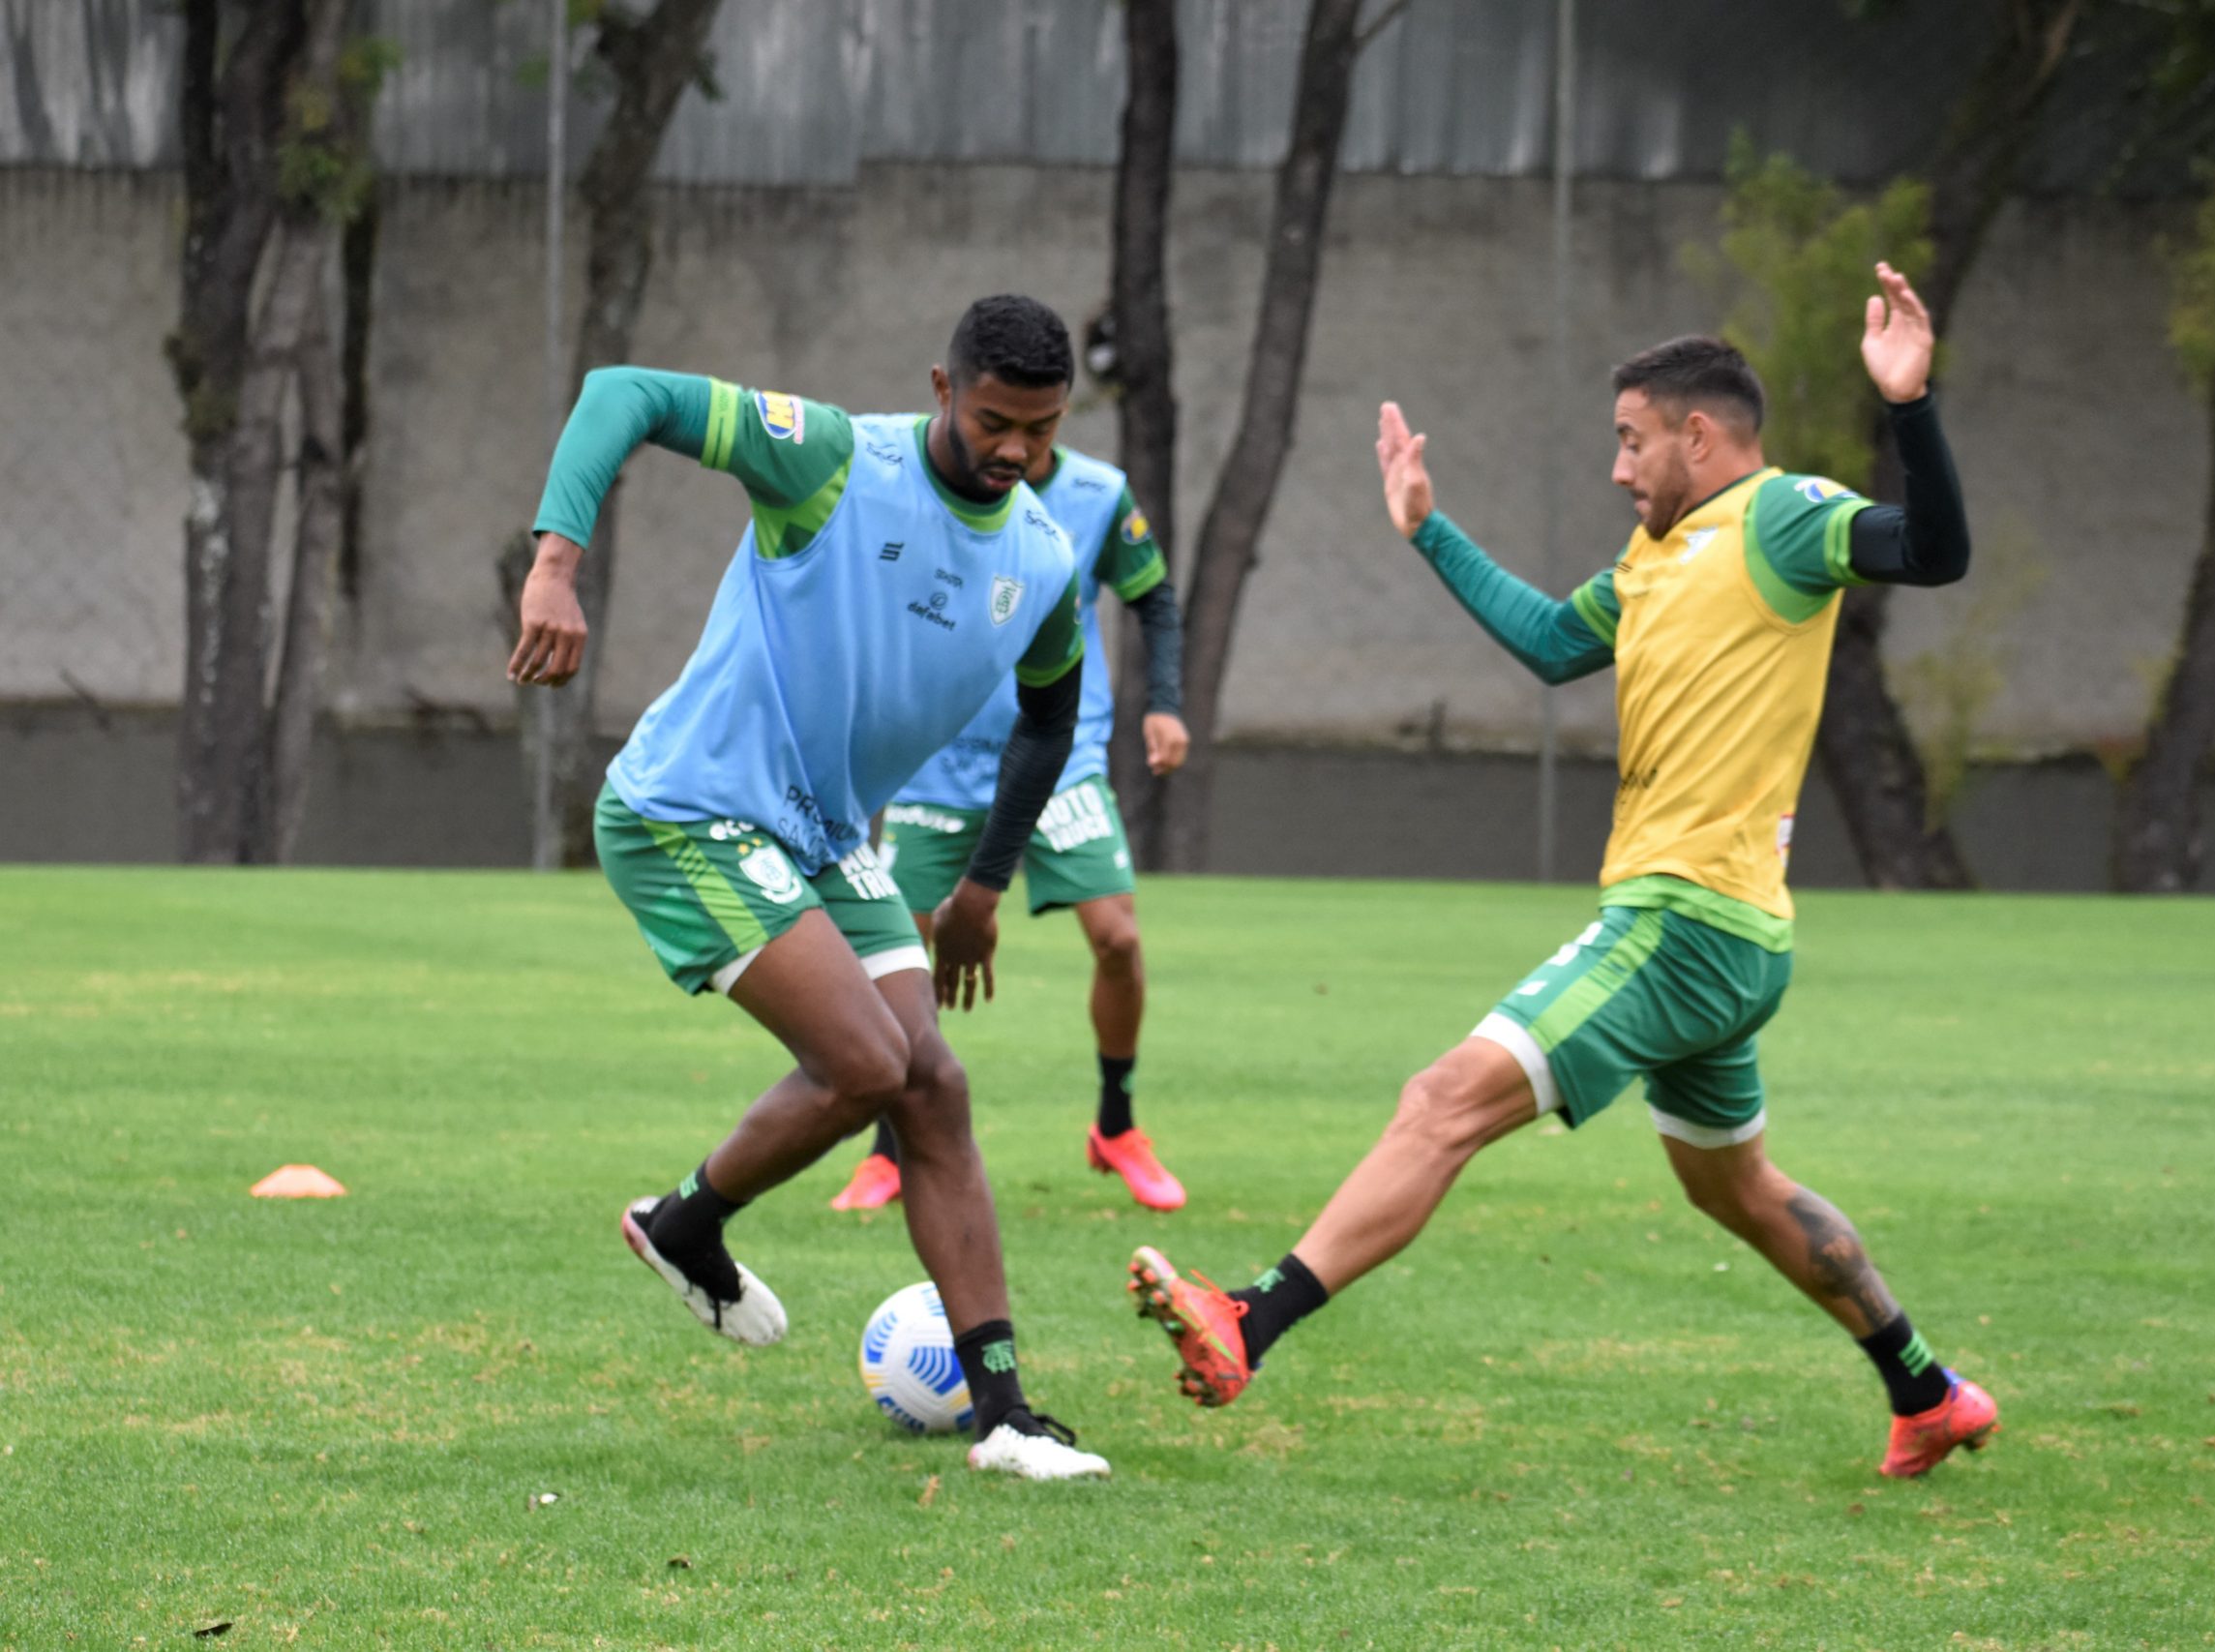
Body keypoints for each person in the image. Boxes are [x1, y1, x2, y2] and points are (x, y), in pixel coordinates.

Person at [1123, 264, 1997, 1479]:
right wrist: (1427, 526)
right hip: (1729, 935)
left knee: (1441, 1101)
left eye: (1633, 443)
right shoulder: (1653, 562)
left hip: (1683, 923)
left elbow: (1937, 551)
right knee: (1734, 1190)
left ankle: (1247, 1322)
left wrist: (1908, 404)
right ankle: (1926, 1390)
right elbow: (1545, 643)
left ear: (1700, 435)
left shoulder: (1785, 518)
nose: (1618, 468)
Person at [507, 295, 1112, 1481]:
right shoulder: (831, 458)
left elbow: (1048, 721)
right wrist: (554, 565)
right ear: (941, 388)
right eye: (995, 422)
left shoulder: (1040, 556)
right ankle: (684, 1221)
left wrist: (985, 885)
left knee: (932, 1083)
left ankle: (1004, 1418)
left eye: (1041, 433)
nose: (1017, 454)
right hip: (689, 808)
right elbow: (623, 391)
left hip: (824, 838)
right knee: (870, 1064)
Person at [831, 442, 1191, 1215]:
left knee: (1119, 940)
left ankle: (1117, 1125)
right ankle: (888, 1148)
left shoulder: (1100, 491)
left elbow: (1154, 600)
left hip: (1063, 756)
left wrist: (1163, 701)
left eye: (1037, 417)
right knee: (900, 950)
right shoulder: (924, 492)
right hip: (939, 761)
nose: (1015, 440)